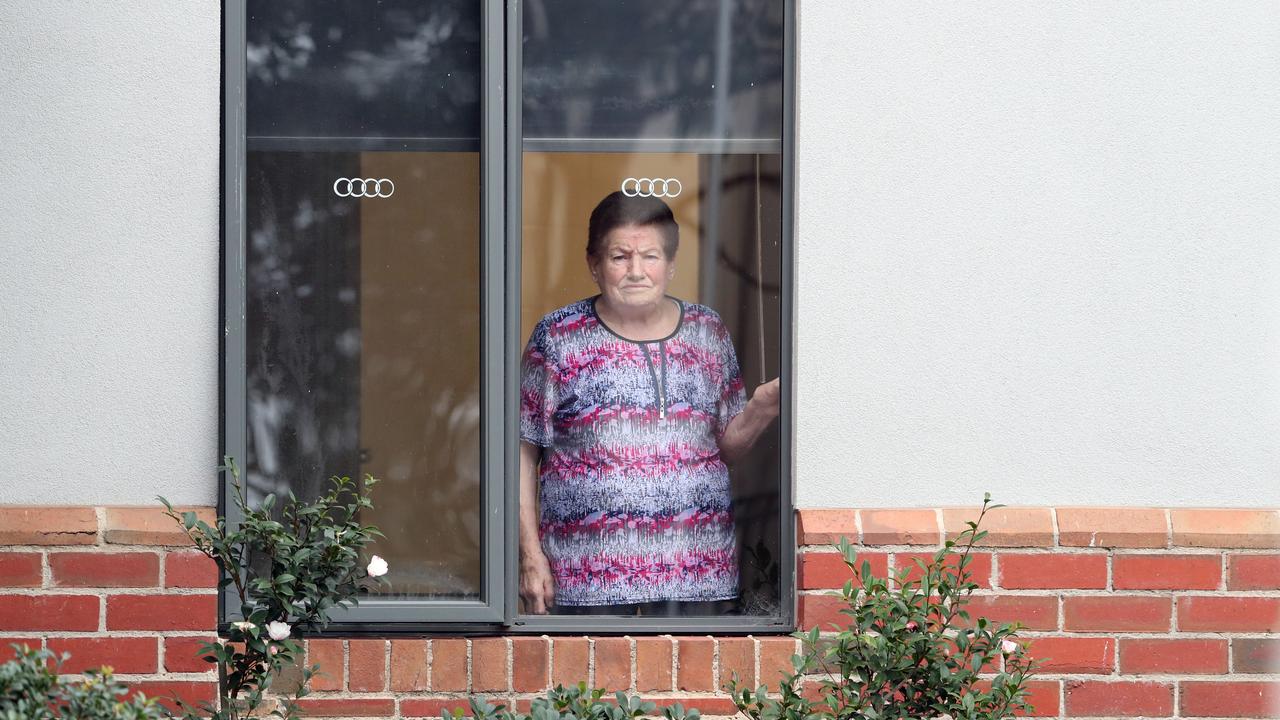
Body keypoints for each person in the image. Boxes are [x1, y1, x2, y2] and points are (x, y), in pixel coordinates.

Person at [518, 190, 781, 614]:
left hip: (696, 574)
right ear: (594, 265)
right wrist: (530, 557)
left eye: (651, 257)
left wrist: (763, 407)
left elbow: (726, 448)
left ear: (672, 265)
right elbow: (522, 451)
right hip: (588, 577)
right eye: (620, 257)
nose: (636, 271)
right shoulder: (558, 336)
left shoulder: (707, 331)